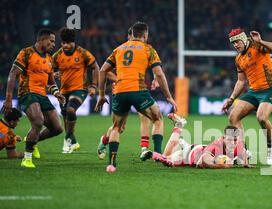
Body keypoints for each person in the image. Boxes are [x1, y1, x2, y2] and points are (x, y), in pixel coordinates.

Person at [94, 21, 177, 172]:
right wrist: (169, 97)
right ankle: (158, 154)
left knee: (117, 127)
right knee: (158, 118)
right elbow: (159, 73)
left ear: (131, 34)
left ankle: (112, 163)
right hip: (138, 90)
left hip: (119, 91)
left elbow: (102, 71)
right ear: (145, 35)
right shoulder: (148, 49)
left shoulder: (118, 49)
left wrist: (100, 95)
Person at [2, 29, 65, 168]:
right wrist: (8, 98)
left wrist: (56, 93)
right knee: (38, 121)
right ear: (41, 40)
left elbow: (50, 81)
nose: (54, 44)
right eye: (52, 41)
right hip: (27, 92)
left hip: (42, 95)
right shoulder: (26, 53)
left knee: (57, 128)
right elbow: (13, 74)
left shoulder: (49, 58)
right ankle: (27, 159)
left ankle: (32, 141)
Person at [222, 28, 272, 165]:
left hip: (270, 89)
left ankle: (271, 148)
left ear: (244, 39)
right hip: (254, 92)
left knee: (261, 117)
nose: (235, 45)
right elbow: (241, 81)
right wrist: (230, 100)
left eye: (237, 42)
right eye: (233, 43)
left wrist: (260, 41)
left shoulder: (257, 46)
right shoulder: (238, 59)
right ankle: (244, 151)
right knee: (233, 117)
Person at [141, 113, 252, 169]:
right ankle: (153, 154)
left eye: (235, 140)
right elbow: (205, 161)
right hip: (189, 154)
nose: (232, 143)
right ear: (223, 138)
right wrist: (223, 165)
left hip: (196, 148)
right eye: (229, 139)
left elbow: (244, 154)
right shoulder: (215, 145)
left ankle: (179, 126)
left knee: (167, 154)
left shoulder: (238, 144)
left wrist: (246, 163)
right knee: (166, 158)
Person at [52, 27, 99, 153]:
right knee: (66, 116)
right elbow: (48, 70)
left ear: (73, 42)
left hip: (80, 89)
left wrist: (93, 86)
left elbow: (95, 67)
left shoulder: (82, 53)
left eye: (68, 43)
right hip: (63, 90)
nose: (66, 45)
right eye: (63, 43)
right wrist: (53, 74)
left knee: (70, 110)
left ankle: (68, 138)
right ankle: (71, 142)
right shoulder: (57, 56)